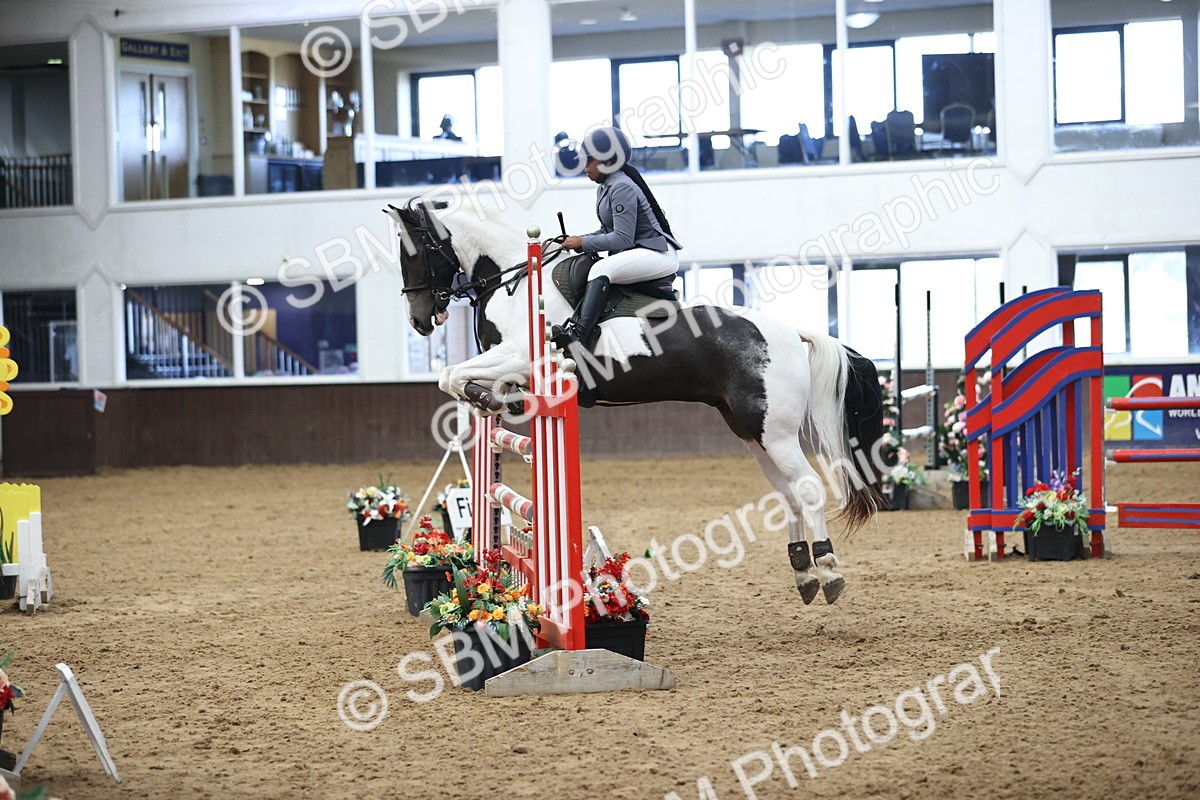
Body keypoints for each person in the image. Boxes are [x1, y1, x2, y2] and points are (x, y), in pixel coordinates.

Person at [555, 126, 682, 350]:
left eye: (588, 161)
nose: (584, 167)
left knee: (600, 269)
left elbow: (622, 239)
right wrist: (578, 239)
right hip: (642, 251)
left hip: (658, 254)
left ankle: (579, 334)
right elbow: (607, 231)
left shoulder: (621, 186)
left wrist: (583, 242)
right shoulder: (607, 185)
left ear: (607, 160)